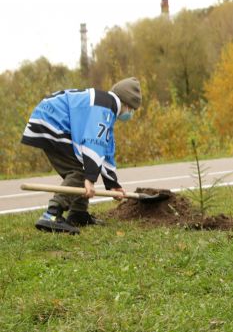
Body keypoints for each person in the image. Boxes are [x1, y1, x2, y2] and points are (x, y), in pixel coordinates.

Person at [20, 78, 142, 234]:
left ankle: (78, 214)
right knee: (82, 172)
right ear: (126, 104)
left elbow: (106, 149)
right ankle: (51, 215)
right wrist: (90, 178)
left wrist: (113, 183)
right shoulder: (105, 108)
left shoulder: (106, 105)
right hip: (52, 121)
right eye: (132, 110)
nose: (130, 114)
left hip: (48, 118)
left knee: (84, 168)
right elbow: (94, 143)